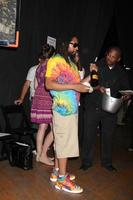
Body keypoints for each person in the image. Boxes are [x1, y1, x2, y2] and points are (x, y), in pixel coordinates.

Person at [45, 35, 90, 193]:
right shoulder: (55, 60)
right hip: (62, 109)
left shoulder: (69, 62)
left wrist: (91, 75)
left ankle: (57, 172)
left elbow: (77, 85)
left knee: (61, 141)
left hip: (72, 109)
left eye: (78, 45)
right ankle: (62, 181)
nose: (77, 48)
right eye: (75, 44)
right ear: (65, 42)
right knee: (63, 143)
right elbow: (48, 84)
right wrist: (75, 87)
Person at [80, 46, 130, 172]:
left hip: (110, 108)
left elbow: (125, 89)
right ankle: (86, 161)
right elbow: (87, 83)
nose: (109, 58)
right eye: (108, 55)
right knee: (89, 135)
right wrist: (98, 87)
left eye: (113, 57)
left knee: (108, 136)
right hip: (93, 105)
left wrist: (125, 95)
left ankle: (107, 162)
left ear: (118, 59)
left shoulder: (121, 72)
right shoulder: (96, 65)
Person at [31, 44, 55, 165]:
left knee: (42, 128)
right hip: (47, 96)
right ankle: (43, 154)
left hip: (38, 96)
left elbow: (35, 86)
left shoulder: (39, 67)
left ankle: (39, 154)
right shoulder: (50, 66)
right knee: (55, 128)